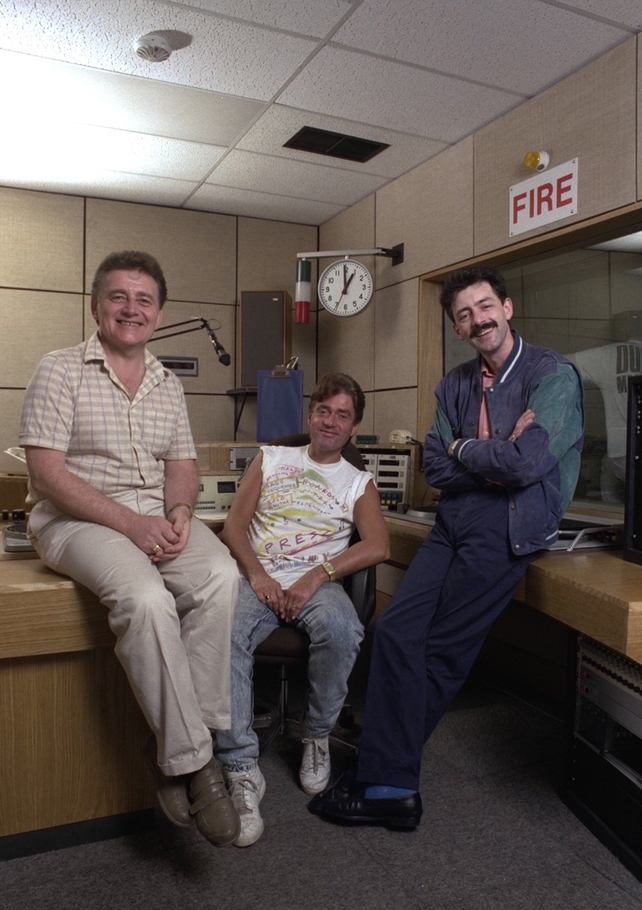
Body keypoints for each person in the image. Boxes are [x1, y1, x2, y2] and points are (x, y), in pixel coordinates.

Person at [309, 265, 584, 828]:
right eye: (464, 315)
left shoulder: (551, 374)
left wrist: (468, 452)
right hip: (454, 522)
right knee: (394, 633)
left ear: (506, 308)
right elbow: (434, 465)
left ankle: (387, 784)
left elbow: (527, 464)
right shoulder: (453, 384)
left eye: (485, 307)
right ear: (458, 329)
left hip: (507, 527)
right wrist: (479, 451)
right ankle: (385, 770)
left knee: (440, 650)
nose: (477, 320)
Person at [19, 250, 241, 847]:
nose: (131, 308)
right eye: (119, 296)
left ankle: (172, 739)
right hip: (76, 519)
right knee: (145, 598)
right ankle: (197, 766)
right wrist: (130, 525)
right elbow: (46, 476)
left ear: (159, 313)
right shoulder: (60, 369)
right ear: (96, 305)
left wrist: (179, 513)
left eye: (144, 300)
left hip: (153, 514)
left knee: (223, 576)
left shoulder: (168, 384)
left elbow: (183, 466)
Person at [216, 373, 390, 846]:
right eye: (323, 411)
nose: (330, 421)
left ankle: (316, 735)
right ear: (310, 414)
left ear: (354, 427)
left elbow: (378, 544)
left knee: (343, 626)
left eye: (342, 415)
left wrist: (318, 574)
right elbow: (234, 526)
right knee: (222, 631)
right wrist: (257, 575)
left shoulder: (357, 481)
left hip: (318, 581)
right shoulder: (272, 458)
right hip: (261, 574)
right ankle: (240, 767)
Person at [568, 335, 642, 503]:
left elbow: (560, 364)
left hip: (623, 454)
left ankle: (612, 516)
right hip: (627, 455)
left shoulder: (609, 354)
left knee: (608, 469)